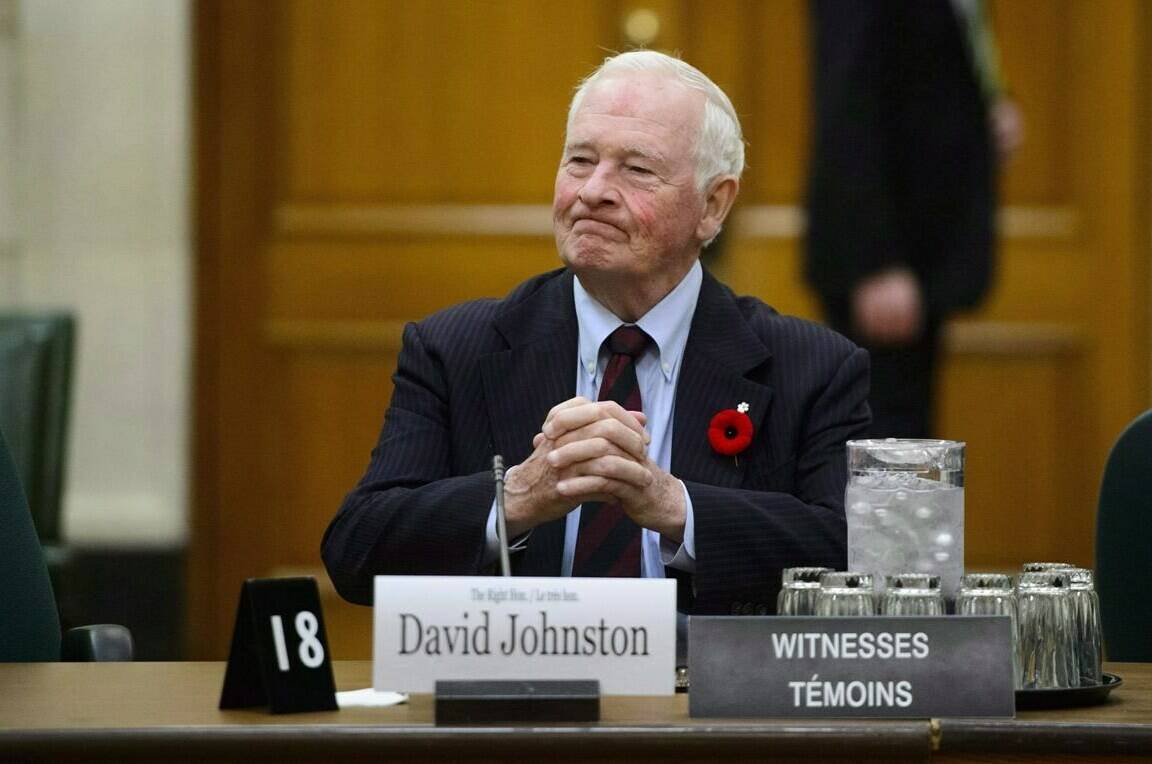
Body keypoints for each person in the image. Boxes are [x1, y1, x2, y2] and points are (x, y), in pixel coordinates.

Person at [322, 51, 870, 616]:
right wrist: (515, 499)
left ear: (713, 205)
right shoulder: (454, 349)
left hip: (705, 696)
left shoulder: (812, 366)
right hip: (518, 693)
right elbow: (358, 550)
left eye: (636, 170)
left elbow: (856, 559)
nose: (593, 191)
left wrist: (676, 507)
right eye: (580, 161)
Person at [804, 0, 1022, 439]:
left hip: (928, 251)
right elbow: (848, 104)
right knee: (884, 450)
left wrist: (987, 107)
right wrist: (876, 260)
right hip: (888, 262)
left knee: (909, 440)